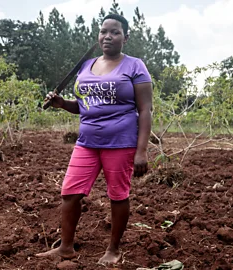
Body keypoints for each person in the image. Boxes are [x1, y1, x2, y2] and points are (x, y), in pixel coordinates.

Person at [36, 13, 153, 265]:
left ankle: (113, 250)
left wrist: (141, 151)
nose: (108, 36)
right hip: (87, 141)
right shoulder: (86, 65)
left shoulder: (135, 66)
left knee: (118, 195)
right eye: (104, 31)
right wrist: (61, 104)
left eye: (115, 32)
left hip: (121, 142)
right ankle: (66, 247)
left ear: (126, 37)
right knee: (70, 193)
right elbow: (84, 106)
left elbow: (145, 110)